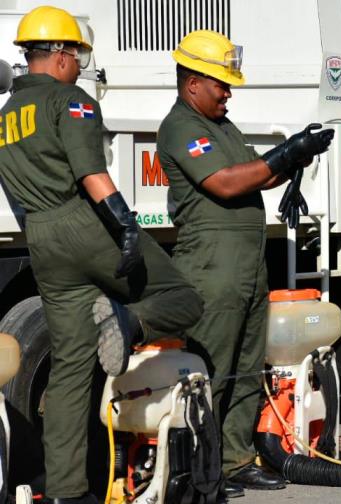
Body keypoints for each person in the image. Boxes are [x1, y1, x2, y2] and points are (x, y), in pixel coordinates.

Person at [0, 6, 204, 502]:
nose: (80, 64)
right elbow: (92, 173)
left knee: (70, 367)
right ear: (63, 54)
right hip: (85, 222)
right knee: (183, 298)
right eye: (78, 54)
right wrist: (126, 228)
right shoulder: (72, 101)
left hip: (43, 238)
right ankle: (126, 321)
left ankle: (70, 492)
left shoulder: (4, 116)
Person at [157, 30, 334, 495]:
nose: (228, 92)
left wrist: (298, 153)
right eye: (221, 84)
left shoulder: (223, 127)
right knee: (211, 371)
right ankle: (202, 469)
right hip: (212, 265)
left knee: (246, 365)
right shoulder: (180, 127)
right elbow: (227, 183)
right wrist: (285, 154)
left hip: (246, 265)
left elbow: (260, 174)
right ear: (193, 82)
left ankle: (234, 461)